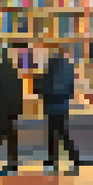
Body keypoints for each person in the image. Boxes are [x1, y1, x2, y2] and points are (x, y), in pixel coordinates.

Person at [38, 48, 81, 176]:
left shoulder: (50, 66)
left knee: (52, 134)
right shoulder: (68, 67)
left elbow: (45, 86)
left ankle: (52, 161)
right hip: (63, 106)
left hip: (52, 105)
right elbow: (71, 88)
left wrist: (43, 95)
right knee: (63, 133)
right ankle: (73, 158)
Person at [0, 45, 24, 175]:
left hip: (3, 108)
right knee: (12, 136)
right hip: (13, 109)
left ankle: (8, 161)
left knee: (4, 133)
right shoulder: (14, 72)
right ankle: (12, 162)